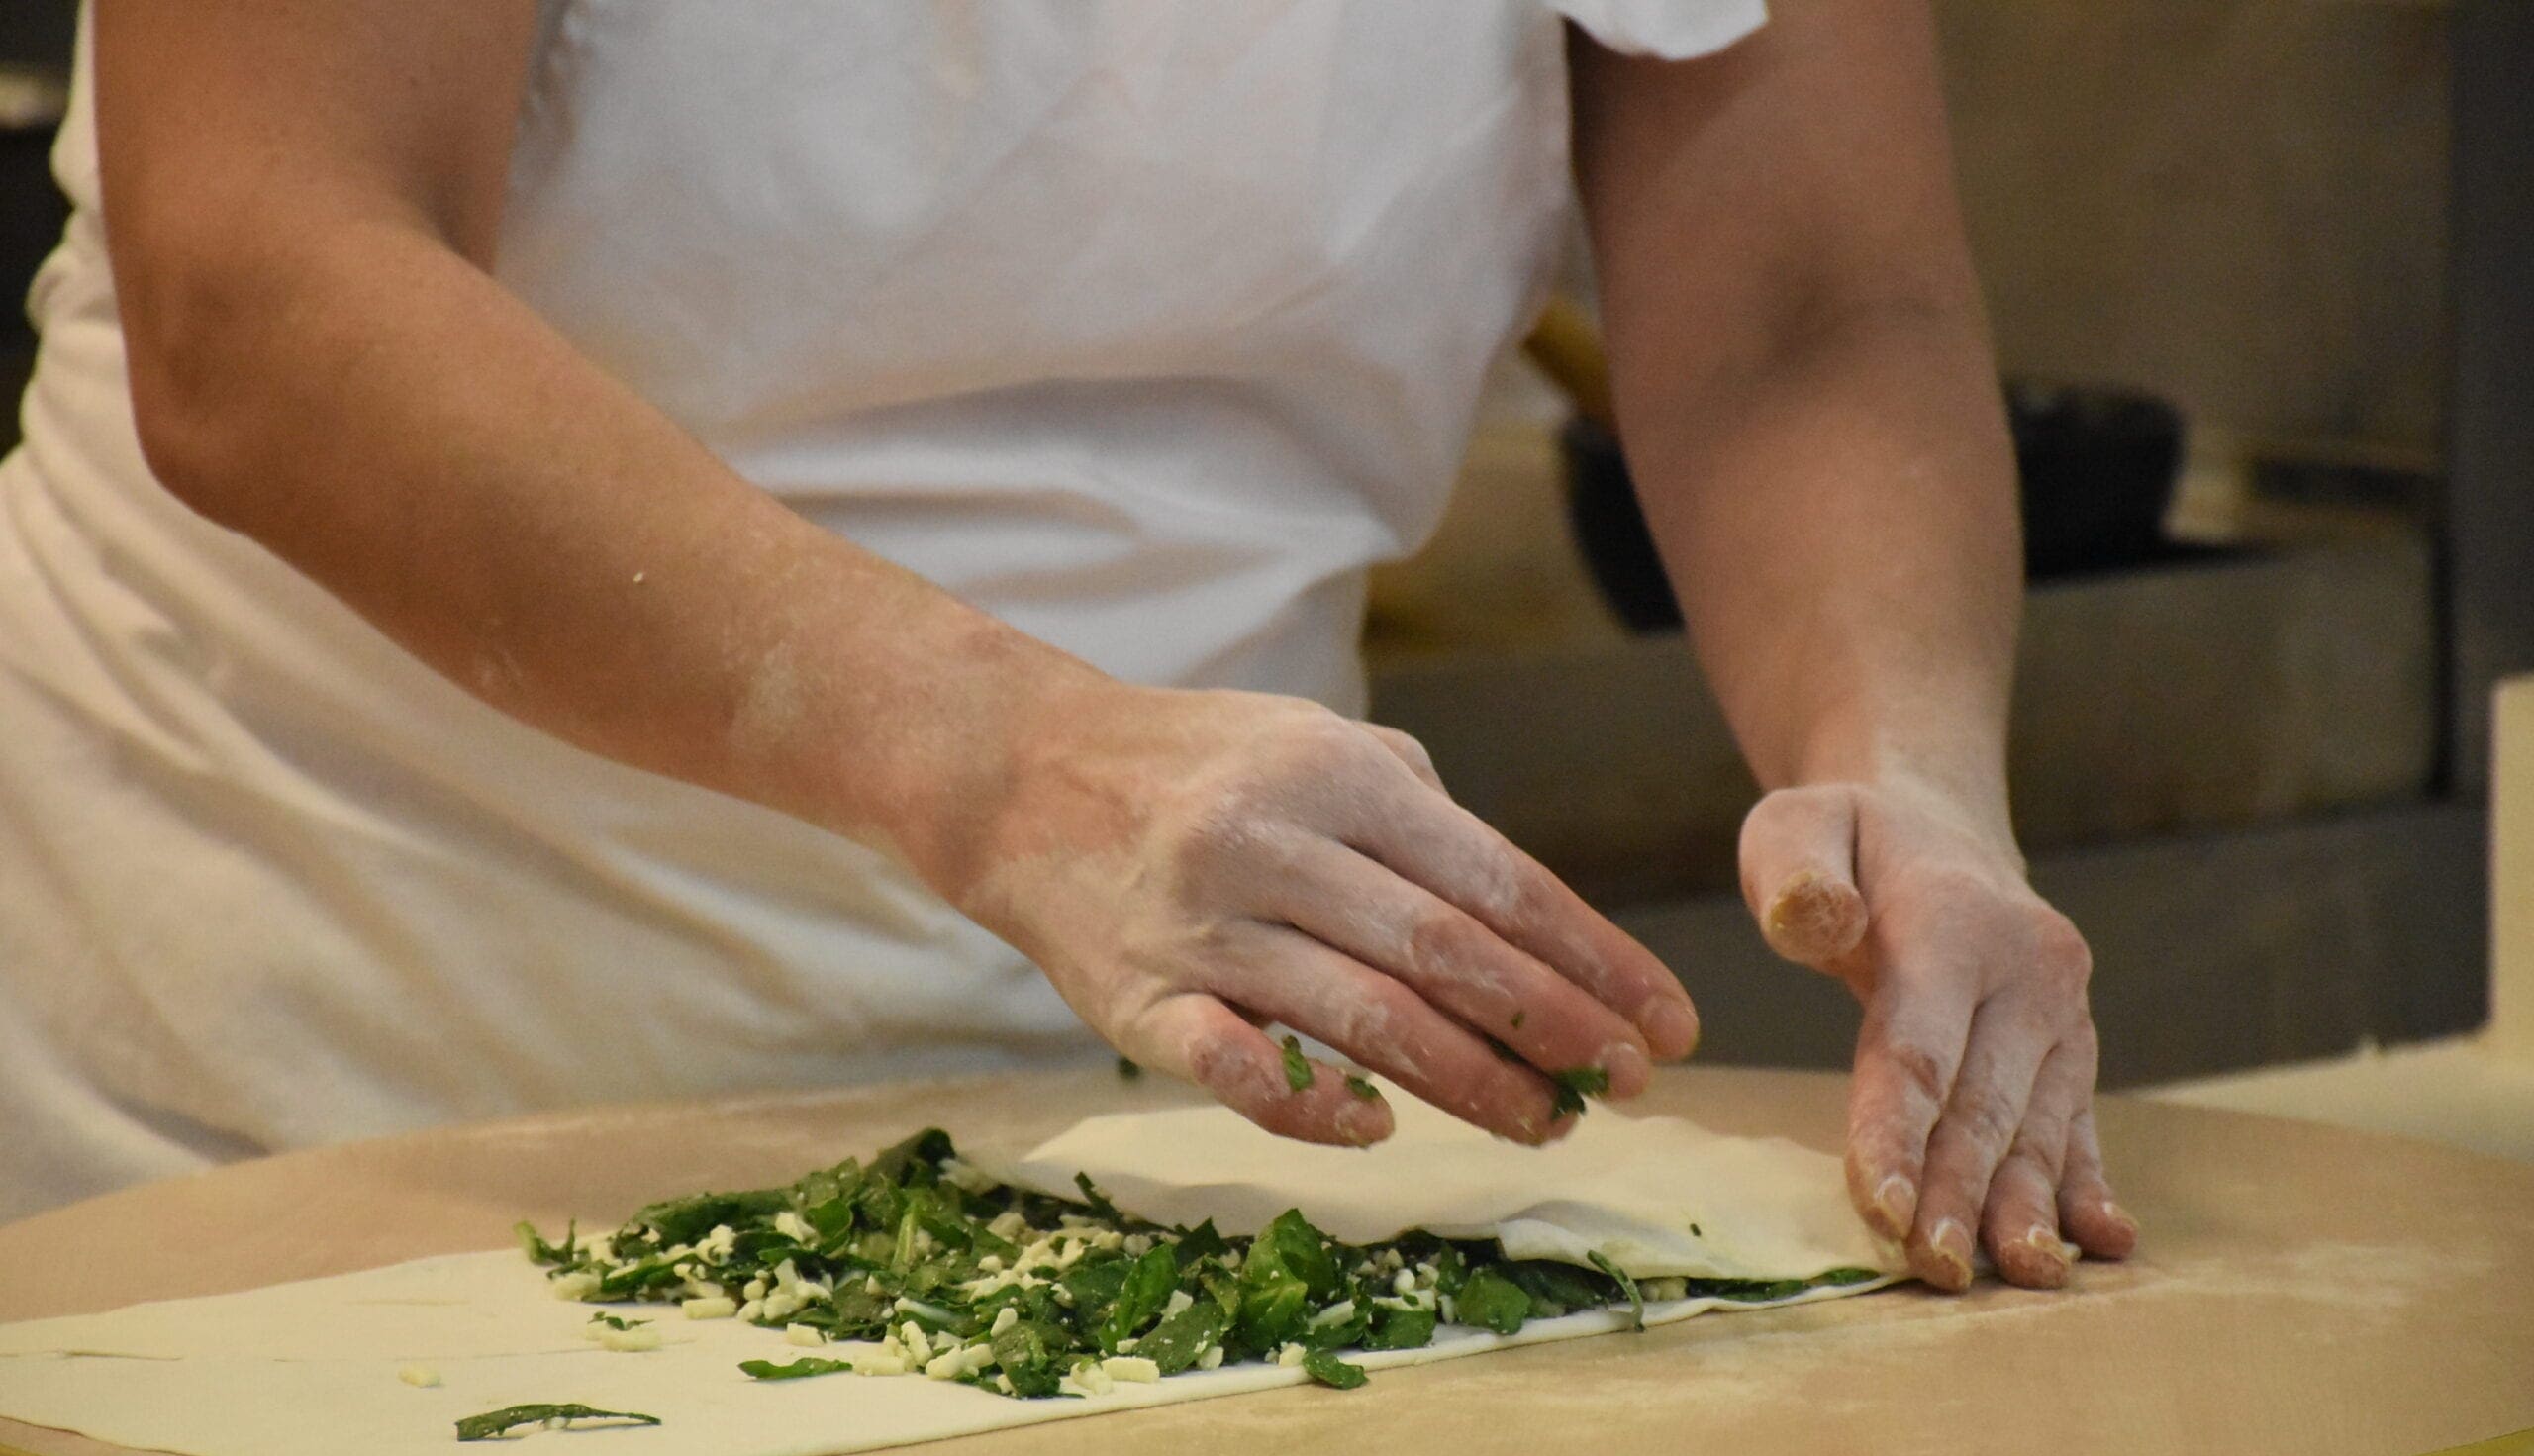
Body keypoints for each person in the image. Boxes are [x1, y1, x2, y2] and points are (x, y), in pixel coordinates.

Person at [0, 0, 2133, 1292]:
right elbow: (265, 285)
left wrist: (1910, 771)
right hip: (319, 1104)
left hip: (1160, 1162)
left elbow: (1801, 317)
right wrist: (1009, 757)